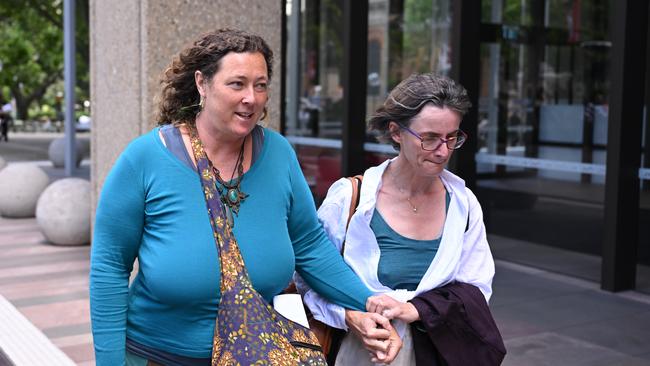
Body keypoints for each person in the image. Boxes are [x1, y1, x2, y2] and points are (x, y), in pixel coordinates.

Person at [89, 28, 401, 366]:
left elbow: (309, 245)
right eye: (237, 84)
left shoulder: (279, 154)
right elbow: (109, 267)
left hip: (254, 354)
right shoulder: (145, 159)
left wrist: (368, 303)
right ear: (202, 83)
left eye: (261, 85)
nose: (251, 97)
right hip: (157, 356)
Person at [301, 73, 506, 365]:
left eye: (452, 137)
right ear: (396, 132)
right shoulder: (351, 199)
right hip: (359, 356)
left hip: (436, 355)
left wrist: (417, 309)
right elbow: (310, 280)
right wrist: (351, 317)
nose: (443, 151)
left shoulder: (464, 204)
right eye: (430, 138)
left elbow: (476, 290)